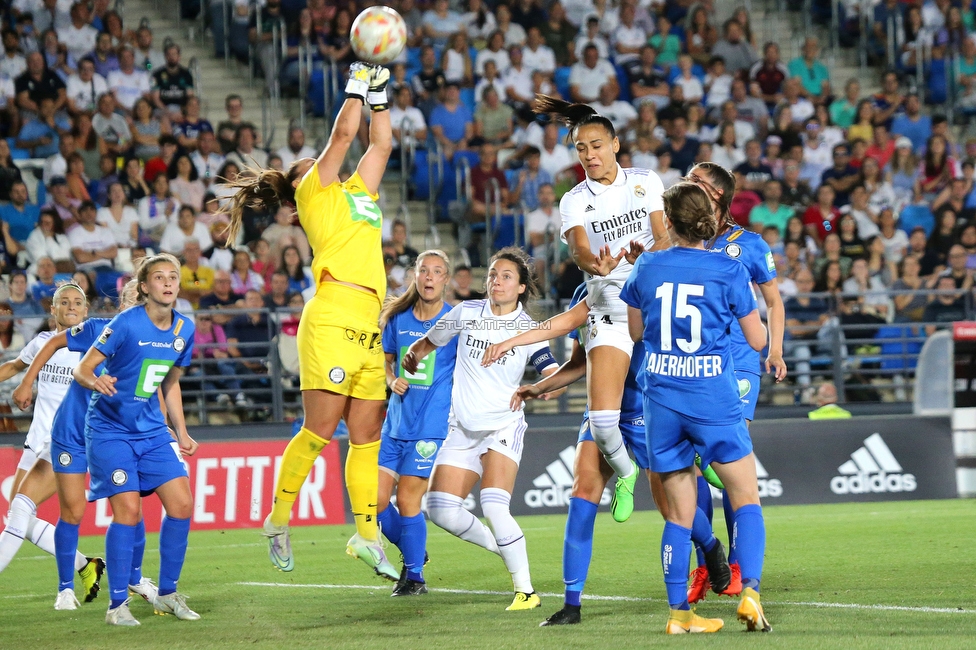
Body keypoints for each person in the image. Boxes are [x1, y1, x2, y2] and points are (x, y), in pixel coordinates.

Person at [224, 63, 399, 578]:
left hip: (370, 318)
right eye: (312, 162)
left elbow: (380, 144)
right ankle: (278, 520)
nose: (321, 162)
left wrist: (381, 94)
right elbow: (346, 133)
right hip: (332, 313)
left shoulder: (358, 197)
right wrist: (357, 83)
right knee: (321, 429)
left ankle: (366, 537)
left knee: (368, 436)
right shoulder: (313, 195)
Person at [620, 182, 770, 634]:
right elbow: (758, 340)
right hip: (713, 399)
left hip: (661, 401)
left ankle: (679, 616)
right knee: (745, 496)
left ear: (668, 220)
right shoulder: (727, 270)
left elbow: (635, 333)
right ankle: (750, 594)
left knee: (679, 513)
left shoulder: (646, 265)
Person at [535, 94, 668, 523]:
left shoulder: (646, 181)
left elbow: (662, 239)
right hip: (608, 306)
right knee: (603, 420)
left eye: (595, 145)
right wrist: (599, 264)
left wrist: (641, 261)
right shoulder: (574, 198)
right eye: (580, 148)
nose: (589, 155)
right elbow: (577, 249)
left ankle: (712, 458)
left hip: (654, 304)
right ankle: (626, 474)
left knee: (682, 403)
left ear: (614, 143)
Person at [403, 248, 559, 610]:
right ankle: (501, 545)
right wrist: (414, 352)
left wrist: (544, 387)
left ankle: (526, 591)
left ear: (521, 287)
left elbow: (552, 372)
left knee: (493, 504)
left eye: (506, 276)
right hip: (462, 427)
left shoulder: (528, 330)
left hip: (502, 425)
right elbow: (430, 341)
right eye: (492, 274)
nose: (496, 281)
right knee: (440, 508)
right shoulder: (467, 312)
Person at [11, 281, 157, 610]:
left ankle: (134, 577)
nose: (139, 300)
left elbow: (154, 387)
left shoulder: (154, 341)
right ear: (122, 301)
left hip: (117, 434)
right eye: (133, 296)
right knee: (72, 511)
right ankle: (66, 588)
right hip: (73, 431)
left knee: (132, 510)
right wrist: (26, 382)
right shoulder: (98, 329)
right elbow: (51, 345)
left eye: (142, 296)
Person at [72, 253, 200, 625]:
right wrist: (95, 380)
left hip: (152, 431)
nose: (168, 282)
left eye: (173, 277)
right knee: (127, 511)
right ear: (144, 287)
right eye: (159, 277)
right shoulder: (125, 323)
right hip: (110, 431)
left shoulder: (184, 329)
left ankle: (169, 593)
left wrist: (181, 430)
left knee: (181, 504)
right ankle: (116, 606)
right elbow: (84, 367)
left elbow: (170, 382)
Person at [686, 162, 787, 600]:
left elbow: (773, 302)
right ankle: (708, 563)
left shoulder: (747, 245)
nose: (688, 186)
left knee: (732, 463)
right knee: (689, 466)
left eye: (697, 183)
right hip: (690, 363)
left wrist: (775, 349)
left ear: (719, 196)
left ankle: (741, 566)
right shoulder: (679, 240)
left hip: (739, 360)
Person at [0, 284, 104, 606]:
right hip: (35, 443)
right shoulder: (42, 343)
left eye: (78, 302)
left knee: (19, 511)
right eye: (64, 302)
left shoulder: (96, 348)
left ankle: (80, 574)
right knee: (19, 519)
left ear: (86, 311)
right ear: (53, 310)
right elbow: (15, 367)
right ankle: (84, 565)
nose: (71, 306)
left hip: (66, 441)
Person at [376, 250, 456, 596]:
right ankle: (413, 551)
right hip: (395, 423)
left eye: (437, 272)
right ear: (415, 275)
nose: (429, 277)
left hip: (430, 426)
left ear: (445, 280)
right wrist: (391, 380)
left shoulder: (455, 321)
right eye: (424, 270)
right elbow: (386, 361)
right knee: (373, 500)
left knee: (408, 501)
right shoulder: (397, 319)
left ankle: (415, 577)